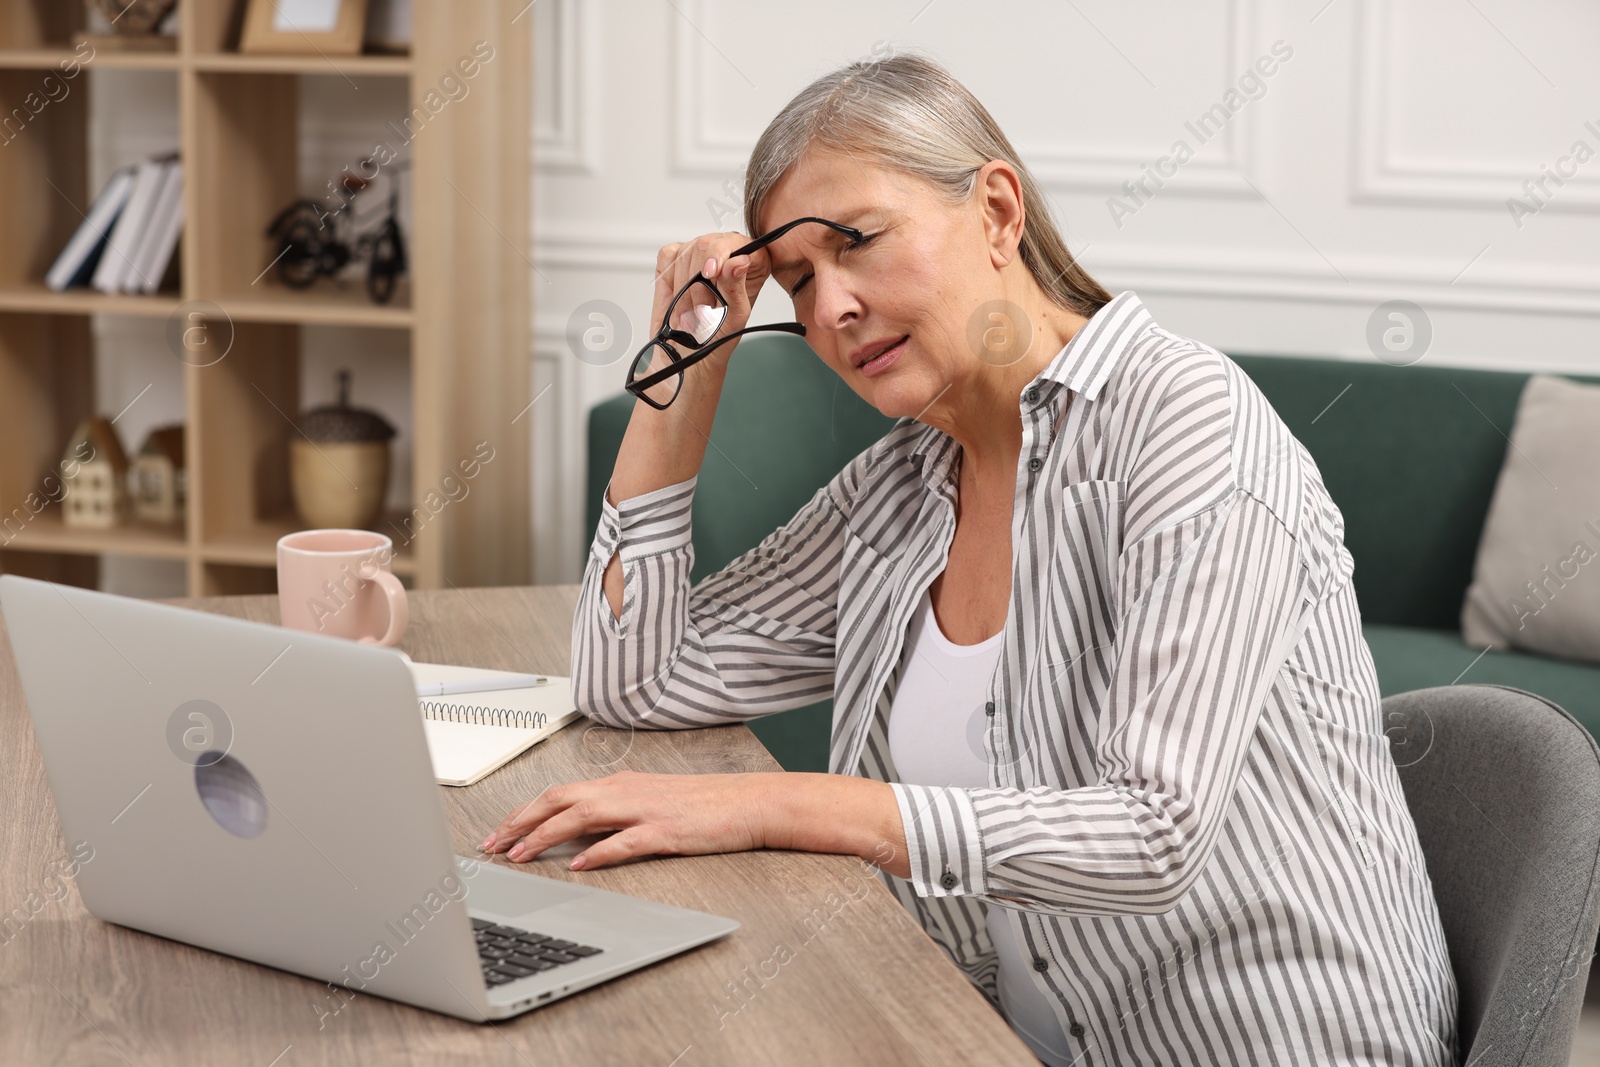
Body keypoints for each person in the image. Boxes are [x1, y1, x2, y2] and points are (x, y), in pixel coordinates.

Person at [482, 53, 1459, 1066]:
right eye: (799, 281)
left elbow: (1153, 831)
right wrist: (684, 367)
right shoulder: (903, 488)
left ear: (997, 211)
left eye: (854, 243)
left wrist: (779, 801)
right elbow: (632, 677)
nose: (830, 310)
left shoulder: (1186, 426)